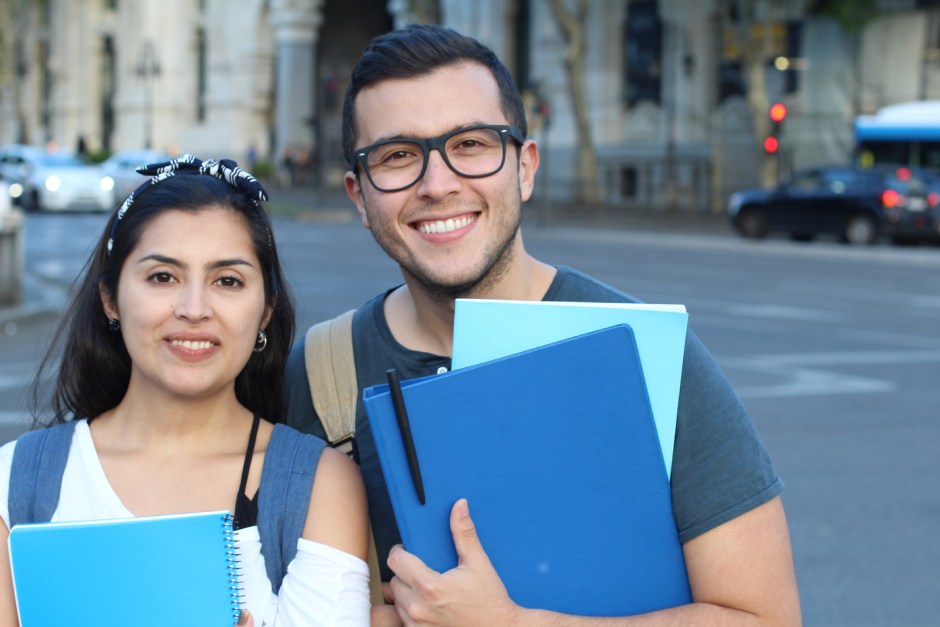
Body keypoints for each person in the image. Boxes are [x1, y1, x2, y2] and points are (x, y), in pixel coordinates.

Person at [284, 24, 801, 626]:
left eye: (472, 144)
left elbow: (766, 618)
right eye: (397, 156)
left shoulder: (644, 353)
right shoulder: (318, 376)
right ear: (359, 196)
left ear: (525, 167)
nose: (439, 183)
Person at [0, 155, 370, 626]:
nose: (194, 309)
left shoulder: (317, 485)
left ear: (265, 310)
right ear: (110, 299)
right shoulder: (16, 484)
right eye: (163, 277)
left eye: (227, 281)